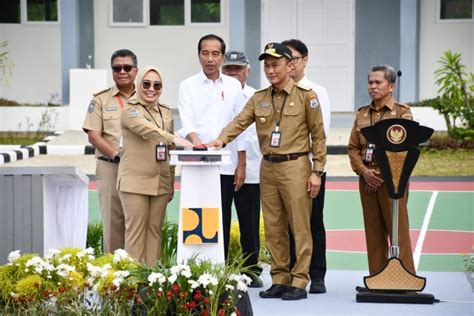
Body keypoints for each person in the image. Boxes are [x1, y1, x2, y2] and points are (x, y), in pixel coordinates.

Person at [208, 43, 326, 301]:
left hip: (296, 166)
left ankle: (299, 280)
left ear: (290, 65)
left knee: (299, 225)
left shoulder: (307, 96)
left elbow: (318, 136)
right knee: (273, 227)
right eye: (267, 65)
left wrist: (317, 170)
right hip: (267, 167)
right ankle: (280, 278)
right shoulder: (259, 97)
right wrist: (220, 140)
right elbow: (240, 122)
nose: (270, 70)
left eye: (275, 64)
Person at [177, 34, 249, 268]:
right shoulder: (187, 85)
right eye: (205, 53)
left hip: (227, 164)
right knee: (199, 214)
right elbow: (186, 122)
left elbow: (241, 125)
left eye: (215, 53)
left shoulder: (233, 85)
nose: (210, 58)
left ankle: (224, 267)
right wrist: (197, 142)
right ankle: (198, 265)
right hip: (197, 163)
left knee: (224, 217)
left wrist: (242, 162)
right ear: (198, 56)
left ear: (222, 57)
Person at [117, 66, 192, 266]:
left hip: (160, 180)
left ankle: (151, 281)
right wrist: (173, 137)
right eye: (146, 84)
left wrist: (170, 180)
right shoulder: (130, 109)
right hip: (135, 182)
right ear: (139, 84)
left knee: (154, 232)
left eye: (157, 85)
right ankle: (133, 285)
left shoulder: (166, 112)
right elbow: (148, 129)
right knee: (135, 233)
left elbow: (170, 149)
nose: (152, 89)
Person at [347, 64, 415, 280]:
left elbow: (407, 149)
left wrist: (381, 175)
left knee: (398, 231)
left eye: (378, 82)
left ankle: (405, 279)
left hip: (392, 181)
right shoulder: (362, 114)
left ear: (392, 86)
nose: (373, 87)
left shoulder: (402, 112)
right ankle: (378, 277)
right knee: (373, 232)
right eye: (370, 82)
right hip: (367, 180)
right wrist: (364, 172)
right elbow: (353, 148)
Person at [282, 39, 331, 294]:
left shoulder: (316, 92)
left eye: (294, 59)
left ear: (305, 61)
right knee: (289, 224)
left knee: (313, 222)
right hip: (286, 170)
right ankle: (292, 274)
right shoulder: (276, 91)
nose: (289, 65)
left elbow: (321, 134)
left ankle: (317, 274)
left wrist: (316, 171)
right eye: (285, 60)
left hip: (311, 169)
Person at [82, 49, 138, 253]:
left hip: (140, 169)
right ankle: (113, 278)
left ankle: (140, 273)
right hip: (110, 166)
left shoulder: (146, 97)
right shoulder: (101, 100)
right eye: (117, 68)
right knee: (113, 223)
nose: (122, 71)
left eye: (127, 67)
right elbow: (93, 135)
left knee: (139, 221)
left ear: (136, 70)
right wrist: (117, 155)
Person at [221, 50, 263, 287]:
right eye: (228, 68)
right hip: (223, 165)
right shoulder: (218, 93)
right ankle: (222, 267)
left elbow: (248, 131)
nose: (232, 72)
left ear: (247, 70)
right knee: (222, 219)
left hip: (252, 167)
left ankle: (251, 269)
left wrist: (244, 164)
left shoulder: (257, 96)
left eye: (237, 68)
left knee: (249, 220)